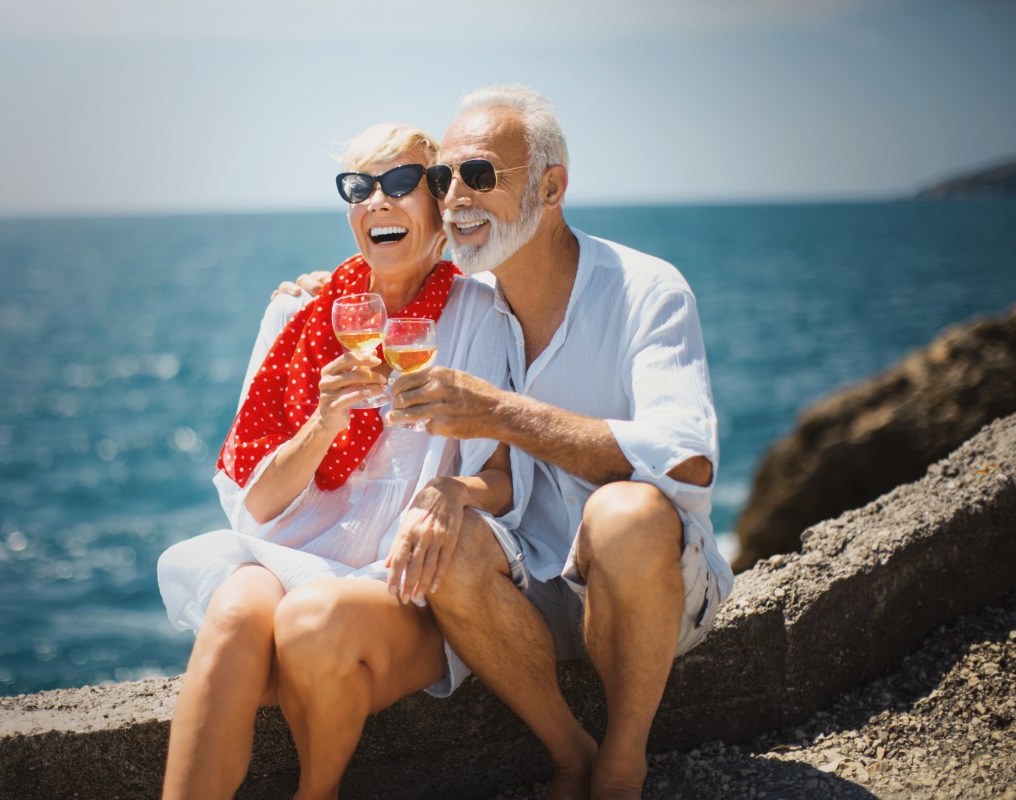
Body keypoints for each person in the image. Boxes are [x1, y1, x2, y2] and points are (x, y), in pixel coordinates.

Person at [326, 86, 732, 799]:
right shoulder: (472, 301)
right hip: (529, 587)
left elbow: (687, 462)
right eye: (443, 178)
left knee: (625, 514)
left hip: (645, 587)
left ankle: (621, 764)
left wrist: (502, 412)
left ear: (551, 187)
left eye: (479, 175)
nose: (454, 198)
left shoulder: (647, 291)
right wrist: (313, 289)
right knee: (441, 536)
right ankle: (569, 752)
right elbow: (389, 278)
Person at [156, 122, 517, 800]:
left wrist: (450, 491)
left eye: (403, 183)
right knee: (235, 612)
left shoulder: (484, 316)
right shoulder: (299, 312)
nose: (378, 201)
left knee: (309, 619)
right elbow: (256, 505)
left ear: (439, 200)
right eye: (359, 187)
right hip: (290, 555)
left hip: (399, 584)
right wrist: (324, 423)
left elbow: (505, 478)